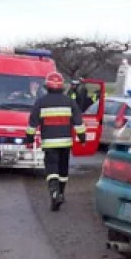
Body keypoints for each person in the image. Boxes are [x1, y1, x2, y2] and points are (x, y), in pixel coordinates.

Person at [27, 71, 86, 211]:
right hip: (66, 143)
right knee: (63, 169)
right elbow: (79, 122)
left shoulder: (41, 102)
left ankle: (54, 194)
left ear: (46, 86)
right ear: (62, 86)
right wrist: (82, 138)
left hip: (49, 143)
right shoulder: (69, 101)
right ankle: (61, 194)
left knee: (52, 169)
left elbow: (32, 124)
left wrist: (29, 138)